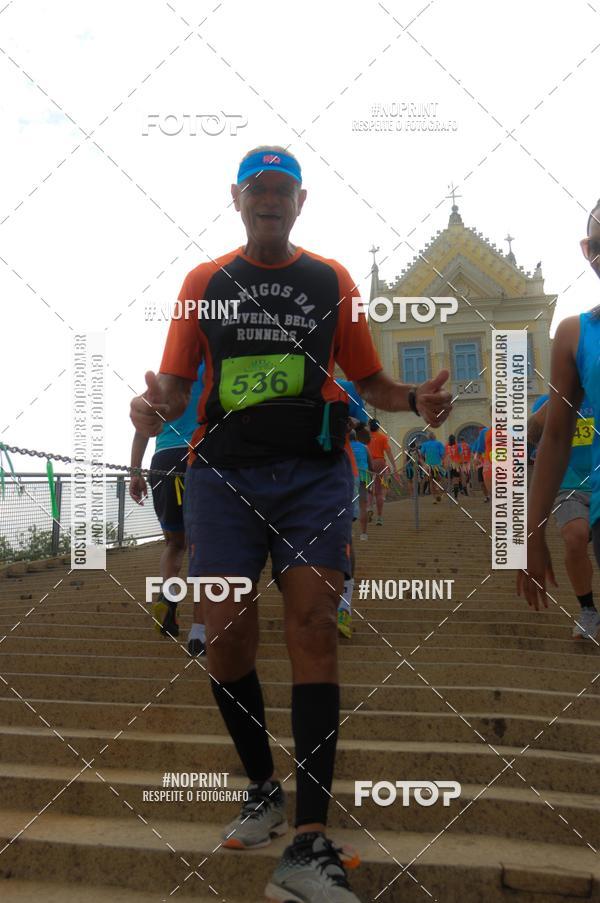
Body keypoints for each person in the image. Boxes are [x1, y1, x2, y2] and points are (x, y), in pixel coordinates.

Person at [129, 145, 452, 903]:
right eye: (257, 190)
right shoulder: (201, 285)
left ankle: (310, 840)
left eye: (283, 191)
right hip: (221, 479)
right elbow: (174, 393)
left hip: (313, 475)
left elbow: (370, 379)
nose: (270, 201)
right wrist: (150, 411)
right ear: (236, 200)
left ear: (301, 202)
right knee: (227, 635)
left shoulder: (331, 280)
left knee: (311, 623)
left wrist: (416, 400)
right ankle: (260, 787)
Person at [518, 198, 600, 613]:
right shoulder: (576, 335)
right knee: (574, 540)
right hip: (580, 488)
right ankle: (587, 609)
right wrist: (530, 534)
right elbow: (549, 437)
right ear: (589, 251)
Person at [129, 363, 206, 656]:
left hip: (162, 460)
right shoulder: (217, 367)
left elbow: (142, 428)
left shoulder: (166, 377)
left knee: (175, 543)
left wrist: (135, 472)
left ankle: (169, 598)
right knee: (204, 544)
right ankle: (200, 630)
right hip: (198, 455)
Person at [528, 393, 599, 639]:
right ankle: (588, 610)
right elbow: (530, 435)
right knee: (574, 536)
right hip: (569, 486)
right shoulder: (549, 401)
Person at [366, 419, 397, 525]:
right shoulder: (382, 437)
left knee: (369, 489)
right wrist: (394, 466)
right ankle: (379, 517)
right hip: (380, 463)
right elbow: (388, 452)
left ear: (369, 426)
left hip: (368, 463)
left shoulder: (365, 437)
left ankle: (369, 507)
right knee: (379, 492)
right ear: (378, 427)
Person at [420, 431, 446, 502]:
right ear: (435, 437)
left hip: (428, 466)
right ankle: (438, 489)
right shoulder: (439, 444)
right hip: (437, 465)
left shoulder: (425, 444)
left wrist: (423, 464)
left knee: (431, 481)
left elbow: (421, 455)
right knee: (439, 479)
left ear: (428, 437)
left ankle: (434, 498)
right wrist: (443, 463)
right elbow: (442, 454)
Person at [472, 425, 491, 502]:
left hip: (486, 462)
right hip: (482, 462)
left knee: (483, 481)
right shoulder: (478, 439)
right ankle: (487, 496)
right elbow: (474, 451)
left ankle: (489, 495)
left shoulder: (486, 432)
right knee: (482, 481)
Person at [444, 434, 463, 500]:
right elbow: (461, 454)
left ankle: (449, 494)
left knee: (448, 480)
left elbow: (445, 456)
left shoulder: (446, 446)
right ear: (455, 439)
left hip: (449, 465)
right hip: (456, 464)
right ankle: (455, 496)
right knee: (456, 481)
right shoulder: (458, 446)